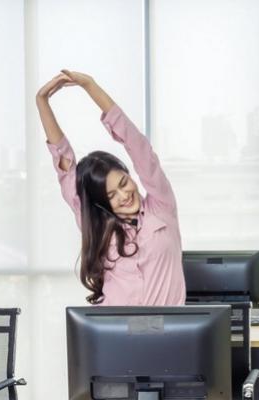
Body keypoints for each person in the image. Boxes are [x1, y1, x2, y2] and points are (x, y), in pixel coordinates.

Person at [36, 70, 186, 306]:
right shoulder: (98, 225)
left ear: (130, 175)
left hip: (170, 335)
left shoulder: (162, 205)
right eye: (111, 196)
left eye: (124, 183)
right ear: (102, 204)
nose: (125, 196)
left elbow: (138, 147)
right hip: (114, 336)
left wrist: (90, 85)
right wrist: (42, 102)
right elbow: (64, 164)